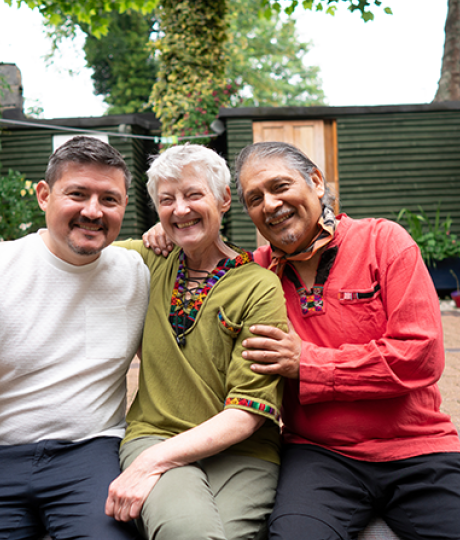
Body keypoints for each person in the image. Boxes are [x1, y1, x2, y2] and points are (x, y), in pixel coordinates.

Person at [144, 141, 460, 540]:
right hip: (317, 456)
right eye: (255, 198)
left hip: (419, 451)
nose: (270, 204)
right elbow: (206, 252)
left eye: (280, 186)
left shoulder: (384, 242)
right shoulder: (257, 273)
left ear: (316, 182)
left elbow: (420, 355)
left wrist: (309, 364)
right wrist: (168, 232)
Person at [0, 136, 150, 540]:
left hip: (90, 452)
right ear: (44, 195)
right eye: (77, 194)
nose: (93, 211)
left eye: (109, 199)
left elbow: (200, 242)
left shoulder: (138, 271)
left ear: (125, 205)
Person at [106, 144, 287, 540]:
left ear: (224, 199)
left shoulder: (259, 286)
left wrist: (149, 463)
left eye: (193, 194)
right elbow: (77, 246)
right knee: (188, 532)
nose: (180, 210)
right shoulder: (148, 261)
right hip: (156, 432)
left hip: (242, 453)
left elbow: (249, 411)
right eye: (167, 200)